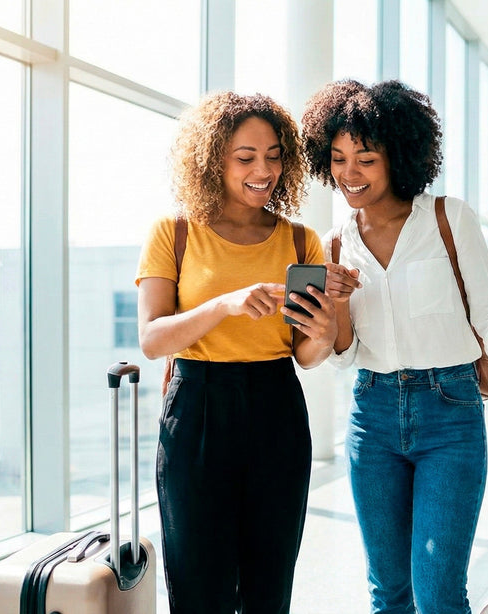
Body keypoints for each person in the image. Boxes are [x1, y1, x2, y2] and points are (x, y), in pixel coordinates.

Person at [301, 79, 488, 614]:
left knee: (437, 592)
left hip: (450, 412)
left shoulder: (446, 217)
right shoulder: (336, 241)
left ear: (399, 156)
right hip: (372, 416)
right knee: (388, 593)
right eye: (339, 159)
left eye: (365, 158)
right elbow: (343, 353)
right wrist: (338, 300)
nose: (350, 174)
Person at [135, 92, 337, 612]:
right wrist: (223, 305)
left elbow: (306, 356)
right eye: (245, 157)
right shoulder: (174, 233)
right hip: (198, 405)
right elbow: (154, 339)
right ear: (213, 159)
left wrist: (325, 324)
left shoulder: (300, 241)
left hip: (276, 406)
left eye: (273, 155)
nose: (262, 169)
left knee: (270, 584)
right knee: (198, 581)